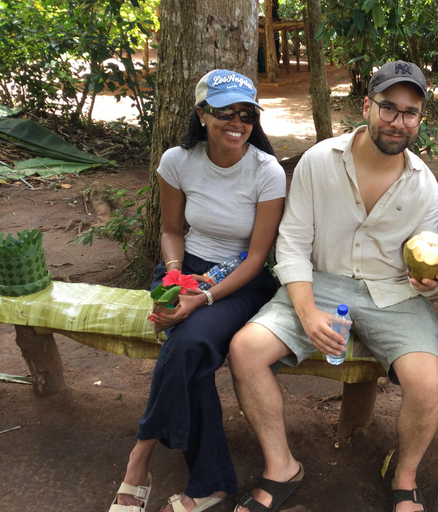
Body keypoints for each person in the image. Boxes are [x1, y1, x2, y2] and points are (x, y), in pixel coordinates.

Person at [229, 60, 438, 512]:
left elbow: (421, 268)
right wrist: (305, 310)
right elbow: (290, 246)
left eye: (410, 112)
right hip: (320, 282)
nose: (398, 121)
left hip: (392, 294)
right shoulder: (318, 161)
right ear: (367, 106)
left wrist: (427, 283)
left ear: (420, 119)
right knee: (245, 350)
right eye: (388, 107)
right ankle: (281, 464)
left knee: (426, 383)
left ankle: (405, 480)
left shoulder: (424, 185)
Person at [108, 69, 286, 512]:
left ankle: (140, 458)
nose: (237, 122)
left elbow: (257, 257)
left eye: (247, 114)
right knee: (194, 359)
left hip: (240, 280)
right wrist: (173, 275)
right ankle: (211, 482)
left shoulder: (266, 172)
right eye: (225, 111)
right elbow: (172, 230)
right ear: (202, 113)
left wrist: (203, 298)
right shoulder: (177, 161)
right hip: (183, 269)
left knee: (186, 343)